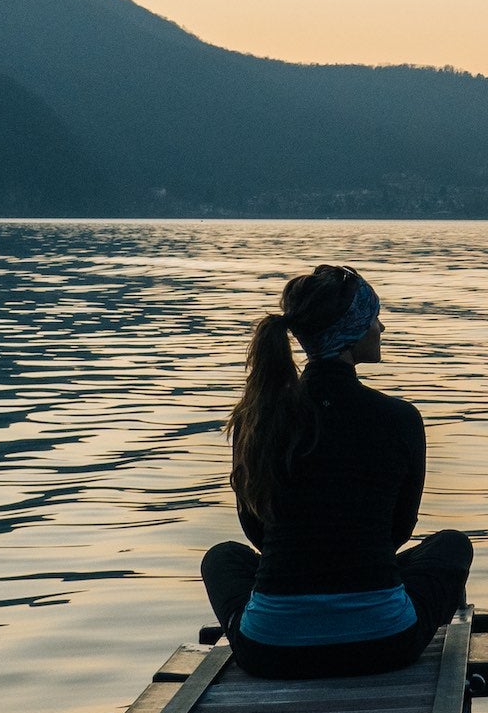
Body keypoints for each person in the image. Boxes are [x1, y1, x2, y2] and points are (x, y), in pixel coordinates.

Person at [202, 264, 473, 679]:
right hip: (385, 644)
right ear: (352, 332)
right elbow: (398, 530)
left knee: (223, 558)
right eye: (372, 318)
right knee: (452, 546)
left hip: (270, 651)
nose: (381, 326)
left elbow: (255, 532)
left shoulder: (257, 420)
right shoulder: (399, 418)